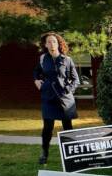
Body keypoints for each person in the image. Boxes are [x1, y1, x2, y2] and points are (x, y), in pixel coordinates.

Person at [33, 32, 80, 164]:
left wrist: (67, 90)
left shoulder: (67, 60)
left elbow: (76, 80)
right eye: (48, 42)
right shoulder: (43, 59)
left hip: (65, 99)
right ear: (45, 45)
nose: (51, 44)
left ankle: (72, 155)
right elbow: (36, 72)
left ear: (58, 44)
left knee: (67, 127)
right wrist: (36, 80)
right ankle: (44, 153)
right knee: (47, 127)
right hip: (48, 97)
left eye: (54, 41)